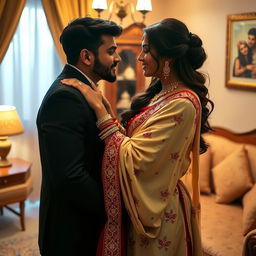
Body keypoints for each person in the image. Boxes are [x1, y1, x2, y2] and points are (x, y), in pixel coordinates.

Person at [62, 18, 214, 256]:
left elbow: (139, 159)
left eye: (145, 49)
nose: (139, 57)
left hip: (160, 210)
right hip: (147, 202)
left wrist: (101, 112)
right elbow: (136, 142)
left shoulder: (183, 104)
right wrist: (105, 107)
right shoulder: (162, 94)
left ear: (167, 57)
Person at [36, 17, 122, 256]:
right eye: (111, 51)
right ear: (87, 56)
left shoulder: (87, 90)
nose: (118, 58)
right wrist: (113, 210)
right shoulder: (65, 97)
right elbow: (70, 176)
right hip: (70, 232)